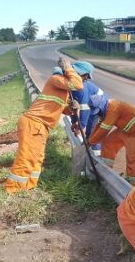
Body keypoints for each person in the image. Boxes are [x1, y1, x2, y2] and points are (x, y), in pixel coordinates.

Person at [5, 58, 83, 193]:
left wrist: (73, 108)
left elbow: (63, 110)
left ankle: (28, 187)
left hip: (40, 126)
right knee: (27, 158)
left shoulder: (62, 92)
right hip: (34, 123)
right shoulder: (56, 79)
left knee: (37, 158)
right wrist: (68, 68)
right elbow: (77, 84)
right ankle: (13, 190)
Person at [86, 95, 135, 184]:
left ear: (102, 106)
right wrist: (89, 140)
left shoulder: (113, 108)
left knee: (132, 157)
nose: (98, 114)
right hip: (125, 130)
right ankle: (106, 168)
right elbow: (99, 126)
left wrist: (90, 142)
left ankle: (131, 182)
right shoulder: (106, 109)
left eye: (98, 111)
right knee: (108, 142)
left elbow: (104, 130)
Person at [68, 61, 108, 154]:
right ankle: (89, 155)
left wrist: (80, 127)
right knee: (88, 136)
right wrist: (74, 122)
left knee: (93, 135)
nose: (86, 78)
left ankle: (97, 160)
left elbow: (84, 109)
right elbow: (73, 107)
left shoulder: (82, 88)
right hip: (92, 110)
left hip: (99, 111)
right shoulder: (72, 86)